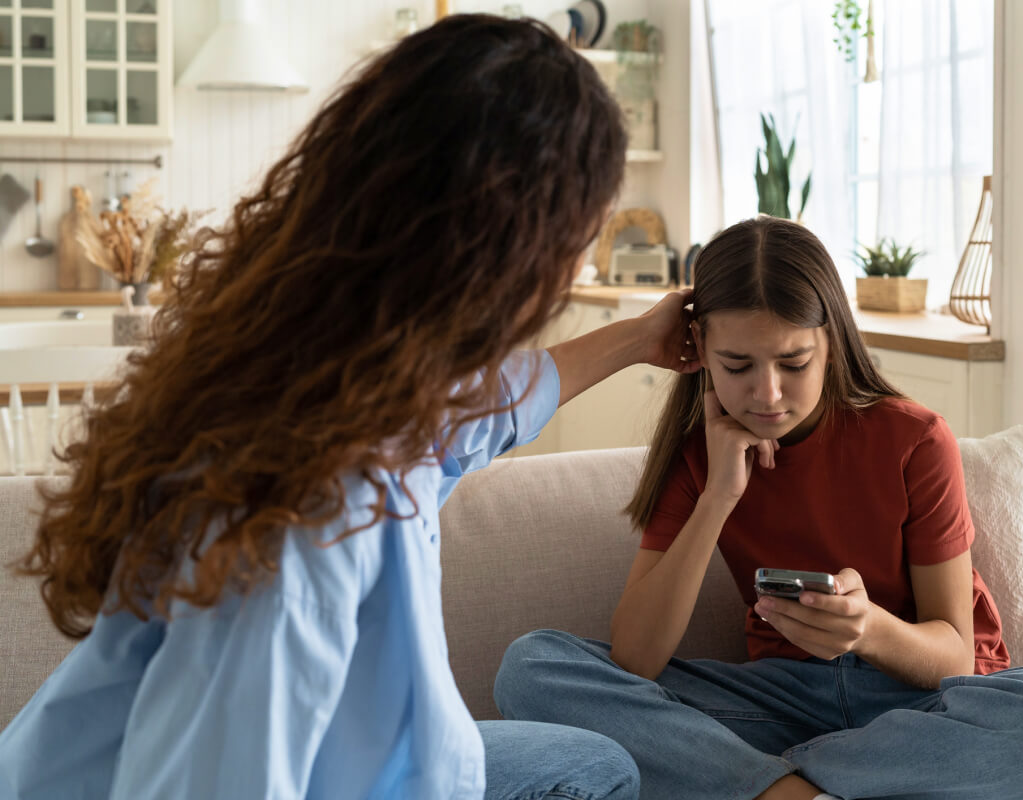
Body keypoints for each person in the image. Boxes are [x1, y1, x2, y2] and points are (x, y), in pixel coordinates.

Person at [0, 15, 698, 800]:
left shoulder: (338, 376)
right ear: (512, 249)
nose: (578, 264)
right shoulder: (310, 515)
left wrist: (640, 338)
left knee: (590, 764)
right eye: (581, 233)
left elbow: (482, 413)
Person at [495, 216, 1023, 800]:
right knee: (532, 666)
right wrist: (719, 497)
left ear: (831, 342)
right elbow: (634, 657)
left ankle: (756, 782)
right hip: (777, 704)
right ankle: (792, 791)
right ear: (699, 352)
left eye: (794, 363)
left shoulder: (914, 440)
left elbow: (954, 653)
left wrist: (866, 628)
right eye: (737, 366)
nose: (766, 394)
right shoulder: (700, 457)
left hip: (916, 710)